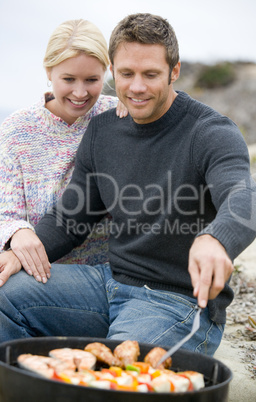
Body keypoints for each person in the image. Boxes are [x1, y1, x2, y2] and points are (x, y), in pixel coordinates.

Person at [0, 13, 256, 355]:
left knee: (117, 373)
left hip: (177, 302)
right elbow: (70, 221)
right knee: (6, 292)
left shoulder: (210, 132)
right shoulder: (103, 130)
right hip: (108, 285)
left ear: (175, 71)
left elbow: (246, 199)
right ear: (114, 71)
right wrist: (17, 254)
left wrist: (216, 239)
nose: (136, 87)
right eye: (126, 74)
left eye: (150, 74)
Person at [0, 19, 127, 285]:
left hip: (105, 274)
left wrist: (132, 111)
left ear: (107, 72)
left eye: (92, 79)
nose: (80, 92)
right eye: (68, 79)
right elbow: (5, 209)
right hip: (33, 271)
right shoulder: (16, 130)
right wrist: (16, 231)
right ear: (49, 71)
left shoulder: (117, 115)